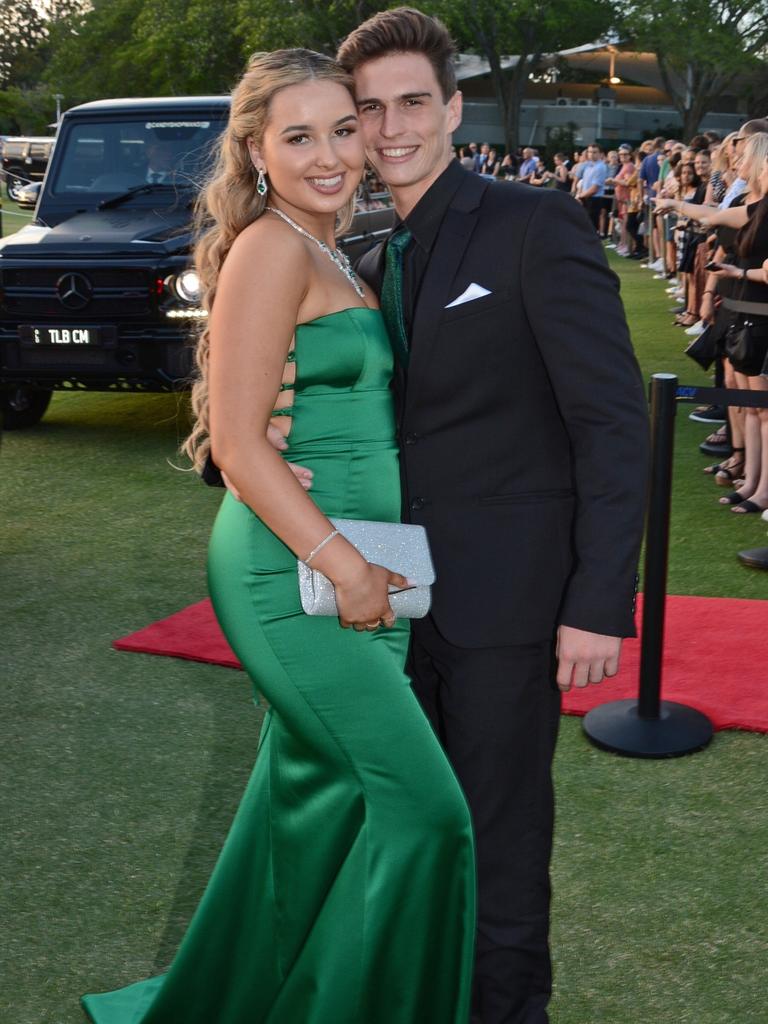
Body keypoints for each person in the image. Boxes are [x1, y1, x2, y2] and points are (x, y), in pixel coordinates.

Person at [81, 47, 476, 1024]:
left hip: (364, 554)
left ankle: (235, 999)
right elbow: (240, 443)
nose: (333, 153)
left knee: (315, 799)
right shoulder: (271, 245)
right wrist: (344, 566)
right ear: (256, 149)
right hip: (301, 564)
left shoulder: (333, 241)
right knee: (427, 815)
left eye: (344, 128)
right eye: (299, 136)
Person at [333, 9, 650, 1023]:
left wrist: (599, 602)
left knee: (501, 849)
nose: (390, 129)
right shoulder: (375, 254)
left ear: (454, 108)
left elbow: (610, 425)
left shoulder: (532, 224)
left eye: (411, 102)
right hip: (395, 606)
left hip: (511, 610)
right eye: (368, 110)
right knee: (414, 833)